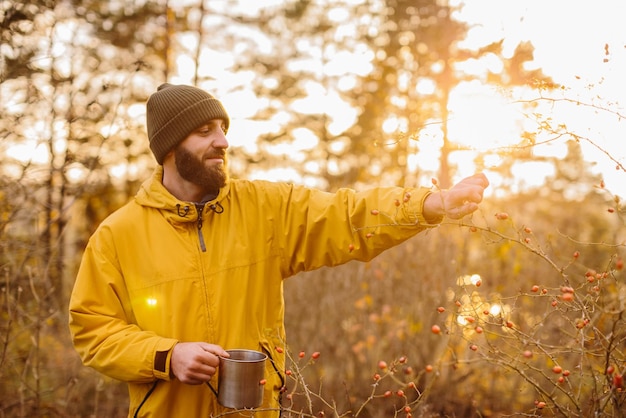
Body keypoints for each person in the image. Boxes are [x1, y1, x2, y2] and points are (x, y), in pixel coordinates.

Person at [68, 83, 489, 418]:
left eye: (223, 129)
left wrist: (428, 204)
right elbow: (94, 330)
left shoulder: (264, 208)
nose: (223, 142)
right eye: (205, 132)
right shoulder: (117, 235)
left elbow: (347, 215)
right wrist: (166, 355)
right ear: (169, 148)